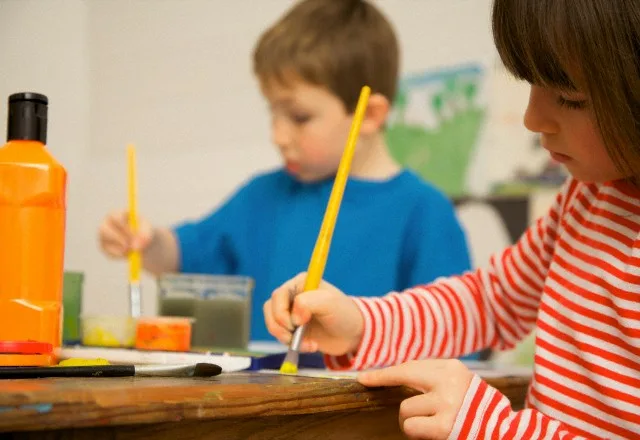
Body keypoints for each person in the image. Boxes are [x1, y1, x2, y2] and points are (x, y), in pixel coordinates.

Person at [264, 0, 640, 437]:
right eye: (530, 85)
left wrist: (492, 429)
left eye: (570, 98)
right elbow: (490, 301)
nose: (532, 118)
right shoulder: (589, 196)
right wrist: (361, 325)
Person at [98, 0, 472, 346]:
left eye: (298, 117)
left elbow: (454, 341)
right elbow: (185, 256)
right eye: (272, 113)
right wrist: (146, 242)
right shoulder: (261, 196)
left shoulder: (424, 213)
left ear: (369, 115)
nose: (277, 136)